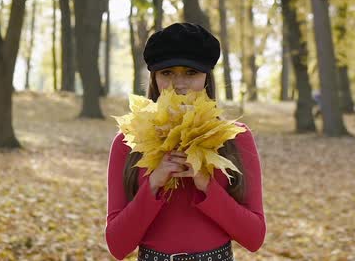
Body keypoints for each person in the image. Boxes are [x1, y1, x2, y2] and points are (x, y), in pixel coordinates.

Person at [105, 22, 266, 261]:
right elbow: (117, 246)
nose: (179, 84)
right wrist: (153, 184)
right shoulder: (128, 142)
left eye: (191, 73)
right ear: (154, 77)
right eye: (167, 73)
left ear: (206, 77)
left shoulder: (235, 138)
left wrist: (206, 185)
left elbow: (254, 238)